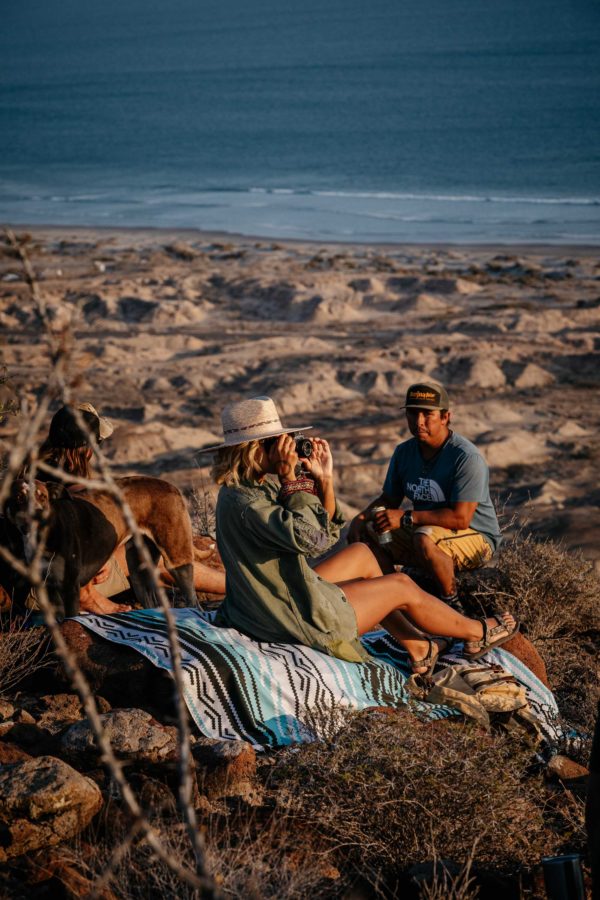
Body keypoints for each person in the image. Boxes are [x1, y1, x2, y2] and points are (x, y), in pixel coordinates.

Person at [208, 395, 517, 674]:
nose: (286, 446)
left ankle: (420, 648)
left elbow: (325, 532)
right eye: (278, 441)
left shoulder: (251, 487)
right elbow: (312, 542)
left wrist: (324, 481)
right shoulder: (250, 503)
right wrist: (291, 478)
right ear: (255, 449)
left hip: (270, 600)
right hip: (290, 618)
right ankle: (478, 632)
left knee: (364, 555)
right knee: (400, 585)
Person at [33, 403, 225, 614]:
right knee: (158, 559)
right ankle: (233, 586)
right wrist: (102, 556)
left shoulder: (33, 478)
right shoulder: (70, 490)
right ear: (87, 450)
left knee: (145, 542)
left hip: (49, 575)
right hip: (67, 585)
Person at [348, 381, 501, 611]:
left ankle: (452, 604)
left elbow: (461, 519)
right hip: (428, 530)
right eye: (412, 413)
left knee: (424, 537)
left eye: (427, 414)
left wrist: (406, 518)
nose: (419, 421)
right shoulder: (404, 453)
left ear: (445, 417)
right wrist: (361, 519)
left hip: (476, 536)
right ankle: (393, 597)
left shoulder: (466, 457)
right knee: (371, 532)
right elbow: (389, 500)